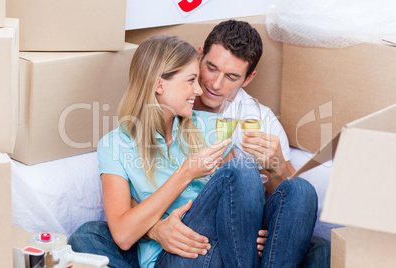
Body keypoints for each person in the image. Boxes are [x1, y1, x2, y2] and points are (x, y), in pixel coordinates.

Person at [69, 35, 317, 268]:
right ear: (159, 85)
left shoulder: (211, 126)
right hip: (173, 257)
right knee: (238, 173)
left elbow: (241, 202)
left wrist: (258, 229)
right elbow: (122, 235)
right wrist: (186, 173)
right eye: (191, 80)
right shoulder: (115, 144)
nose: (199, 91)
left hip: (226, 250)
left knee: (300, 188)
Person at [145, 20, 331, 267]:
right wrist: (154, 228)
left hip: (244, 233)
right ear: (199, 55)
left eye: (232, 76)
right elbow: (133, 184)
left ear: (248, 78)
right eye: (211, 68)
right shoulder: (174, 100)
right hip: (195, 229)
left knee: (305, 200)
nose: (215, 84)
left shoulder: (260, 119)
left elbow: (293, 204)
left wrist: (277, 169)